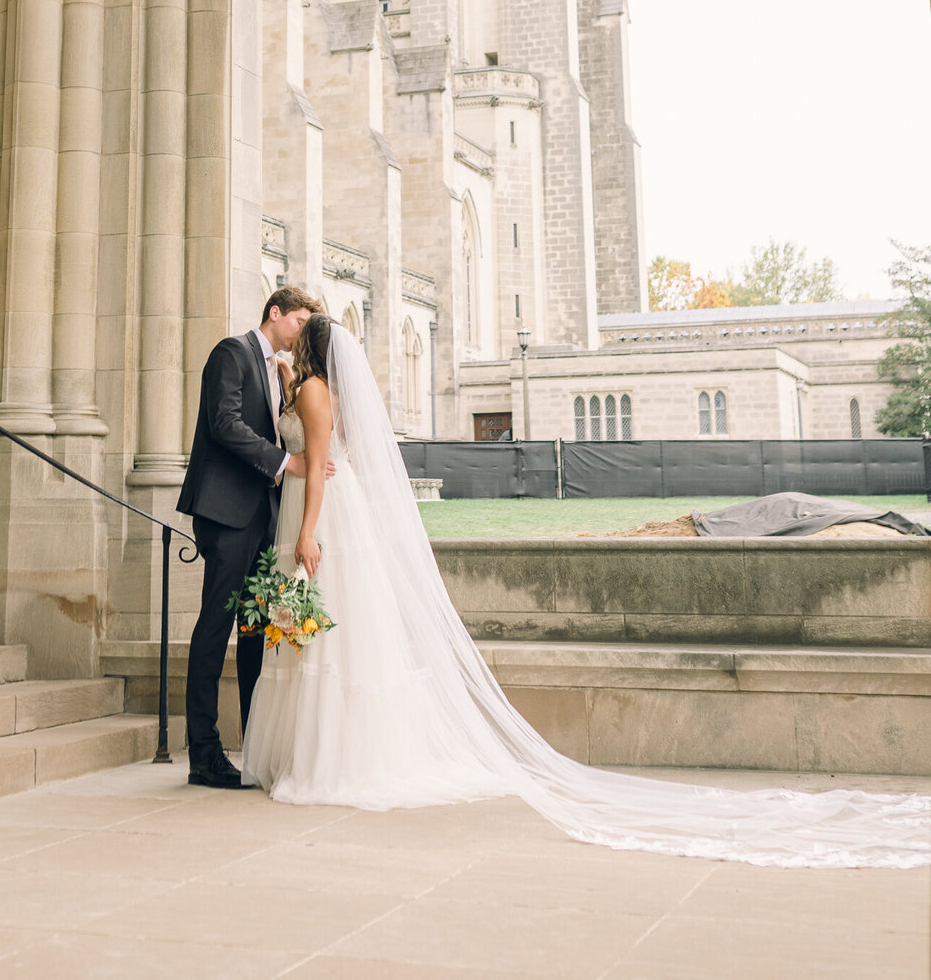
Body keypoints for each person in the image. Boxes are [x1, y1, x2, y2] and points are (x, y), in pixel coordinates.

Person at [242, 315, 931, 867]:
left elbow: (326, 464)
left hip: (320, 510)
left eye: (299, 335)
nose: (293, 338)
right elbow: (336, 453)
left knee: (332, 637)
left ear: (311, 347)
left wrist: (307, 529)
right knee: (335, 639)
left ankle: (325, 760)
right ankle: (316, 755)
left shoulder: (311, 391)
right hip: (322, 501)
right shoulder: (308, 384)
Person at [177, 285, 323, 788]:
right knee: (215, 629)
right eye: (300, 322)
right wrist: (288, 461)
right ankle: (203, 752)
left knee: (255, 634)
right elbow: (224, 424)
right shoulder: (231, 352)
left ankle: (253, 746)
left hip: (263, 516)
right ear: (276, 312)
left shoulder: (277, 370)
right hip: (226, 513)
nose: (302, 333)